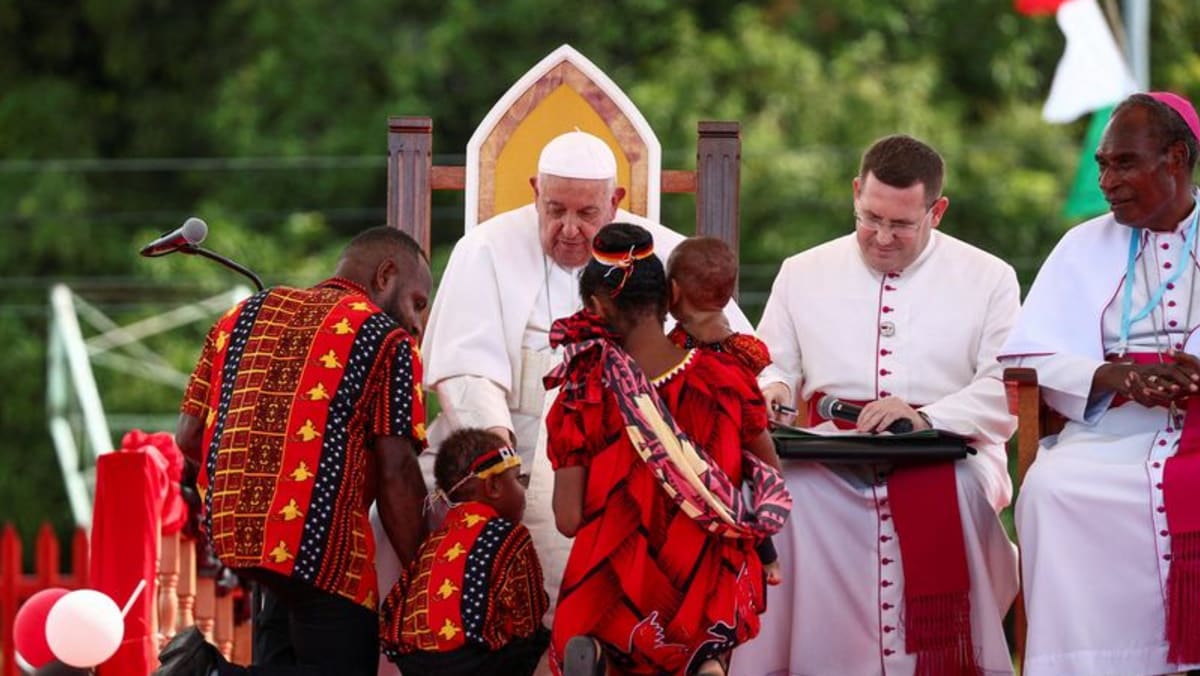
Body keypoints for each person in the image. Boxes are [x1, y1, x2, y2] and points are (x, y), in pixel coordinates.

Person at [407, 130, 771, 629]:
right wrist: (500, 453)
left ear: (615, 201)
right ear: (535, 191)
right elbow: (465, 369)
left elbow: (730, 350)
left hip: (638, 461)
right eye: (555, 210)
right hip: (517, 451)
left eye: (586, 213)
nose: (570, 228)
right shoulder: (485, 248)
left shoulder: (660, 250)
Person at [734, 134, 1021, 676]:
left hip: (949, 451)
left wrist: (929, 418)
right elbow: (772, 361)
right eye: (870, 218)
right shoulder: (802, 270)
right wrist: (772, 388)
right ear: (855, 193)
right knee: (786, 497)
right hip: (827, 449)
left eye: (902, 225)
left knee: (959, 494)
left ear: (936, 211)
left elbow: (1003, 384)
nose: (882, 237)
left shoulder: (990, 277)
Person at [155, 226, 433, 676]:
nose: (418, 323)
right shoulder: (388, 341)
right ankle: (206, 672)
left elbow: (188, 436)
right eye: (418, 303)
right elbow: (397, 471)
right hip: (320, 543)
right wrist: (426, 571)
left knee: (281, 652)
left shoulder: (239, 315)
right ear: (385, 275)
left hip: (235, 533)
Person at [1000, 91, 1200, 676]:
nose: (1108, 181)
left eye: (1124, 163)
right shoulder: (1081, 246)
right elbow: (1025, 354)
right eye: (1103, 165)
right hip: (1113, 428)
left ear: (1175, 160)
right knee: (1052, 488)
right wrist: (1114, 376)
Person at [544, 223, 791, 676]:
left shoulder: (582, 391)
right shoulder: (726, 379)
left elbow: (568, 519)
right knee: (709, 612)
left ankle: (603, 655)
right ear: (669, 295)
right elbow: (769, 477)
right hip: (698, 588)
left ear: (597, 306)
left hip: (610, 590)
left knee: (593, 636)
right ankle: (706, 660)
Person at [380, 428, 550, 676]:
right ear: (492, 486)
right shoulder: (510, 535)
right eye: (517, 478)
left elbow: (397, 599)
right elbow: (530, 613)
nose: (522, 490)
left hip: (413, 661)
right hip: (475, 663)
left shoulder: (433, 541)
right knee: (539, 638)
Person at [665, 236, 781, 585]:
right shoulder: (740, 352)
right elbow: (756, 423)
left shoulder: (672, 351)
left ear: (671, 292)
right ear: (729, 296)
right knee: (741, 499)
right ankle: (768, 559)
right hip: (732, 460)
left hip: (687, 464)